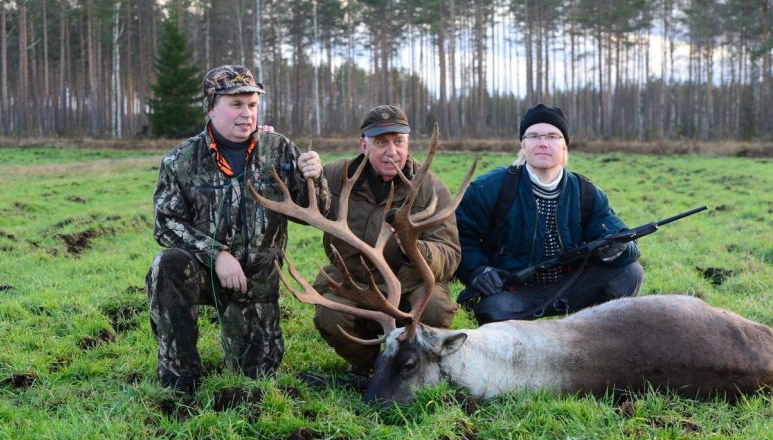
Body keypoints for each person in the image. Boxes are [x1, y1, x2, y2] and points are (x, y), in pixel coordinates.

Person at [146, 65, 330, 391]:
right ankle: (181, 375)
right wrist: (216, 255)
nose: (247, 114)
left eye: (252, 105)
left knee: (255, 378)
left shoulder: (279, 150)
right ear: (211, 107)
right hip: (204, 273)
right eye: (236, 104)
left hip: (257, 286)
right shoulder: (180, 160)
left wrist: (315, 179)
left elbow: (316, 213)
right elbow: (166, 224)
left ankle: (246, 346)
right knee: (168, 265)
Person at [455, 104, 643, 324]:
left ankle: (592, 331)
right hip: (514, 291)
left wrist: (618, 249)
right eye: (534, 136)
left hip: (570, 287)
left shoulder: (586, 192)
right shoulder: (490, 187)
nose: (543, 143)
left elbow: (622, 237)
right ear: (523, 145)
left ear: (564, 147)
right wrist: (478, 270)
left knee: (630, 274)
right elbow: (460, 236)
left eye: (552, 136)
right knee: (492, 309)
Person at [312, 105, 460, 373]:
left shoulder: (431, 188)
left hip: (410, 285)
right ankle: (369, 367)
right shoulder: (335, 176)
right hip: (354, 282)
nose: (392, 151)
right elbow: (302, 207)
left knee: (435, 309)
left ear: (408, 143)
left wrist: (416, 249)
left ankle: (414, 365)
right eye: (381, 142)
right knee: (330, 314)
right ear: (363, 145)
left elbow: (450, 254)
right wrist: (308, 176)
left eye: (398, 141)